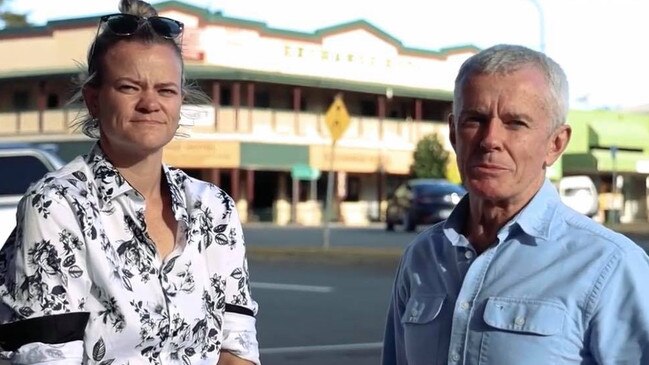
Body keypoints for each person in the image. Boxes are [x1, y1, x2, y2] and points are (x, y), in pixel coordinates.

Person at [0, 0, 259, 364]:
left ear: (180, 102)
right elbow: (50, 357)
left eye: (166, 90)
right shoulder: (58, 205)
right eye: (129, 87)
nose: (150, 103)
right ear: (94, 100)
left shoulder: (214, 209)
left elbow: (237, 349)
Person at [382, 44, 649, 365]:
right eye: (475, 119)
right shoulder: (422, 257)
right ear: (453, 133)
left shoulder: (610, 266)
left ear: (555, 143)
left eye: (515, 123)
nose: (490, 139)